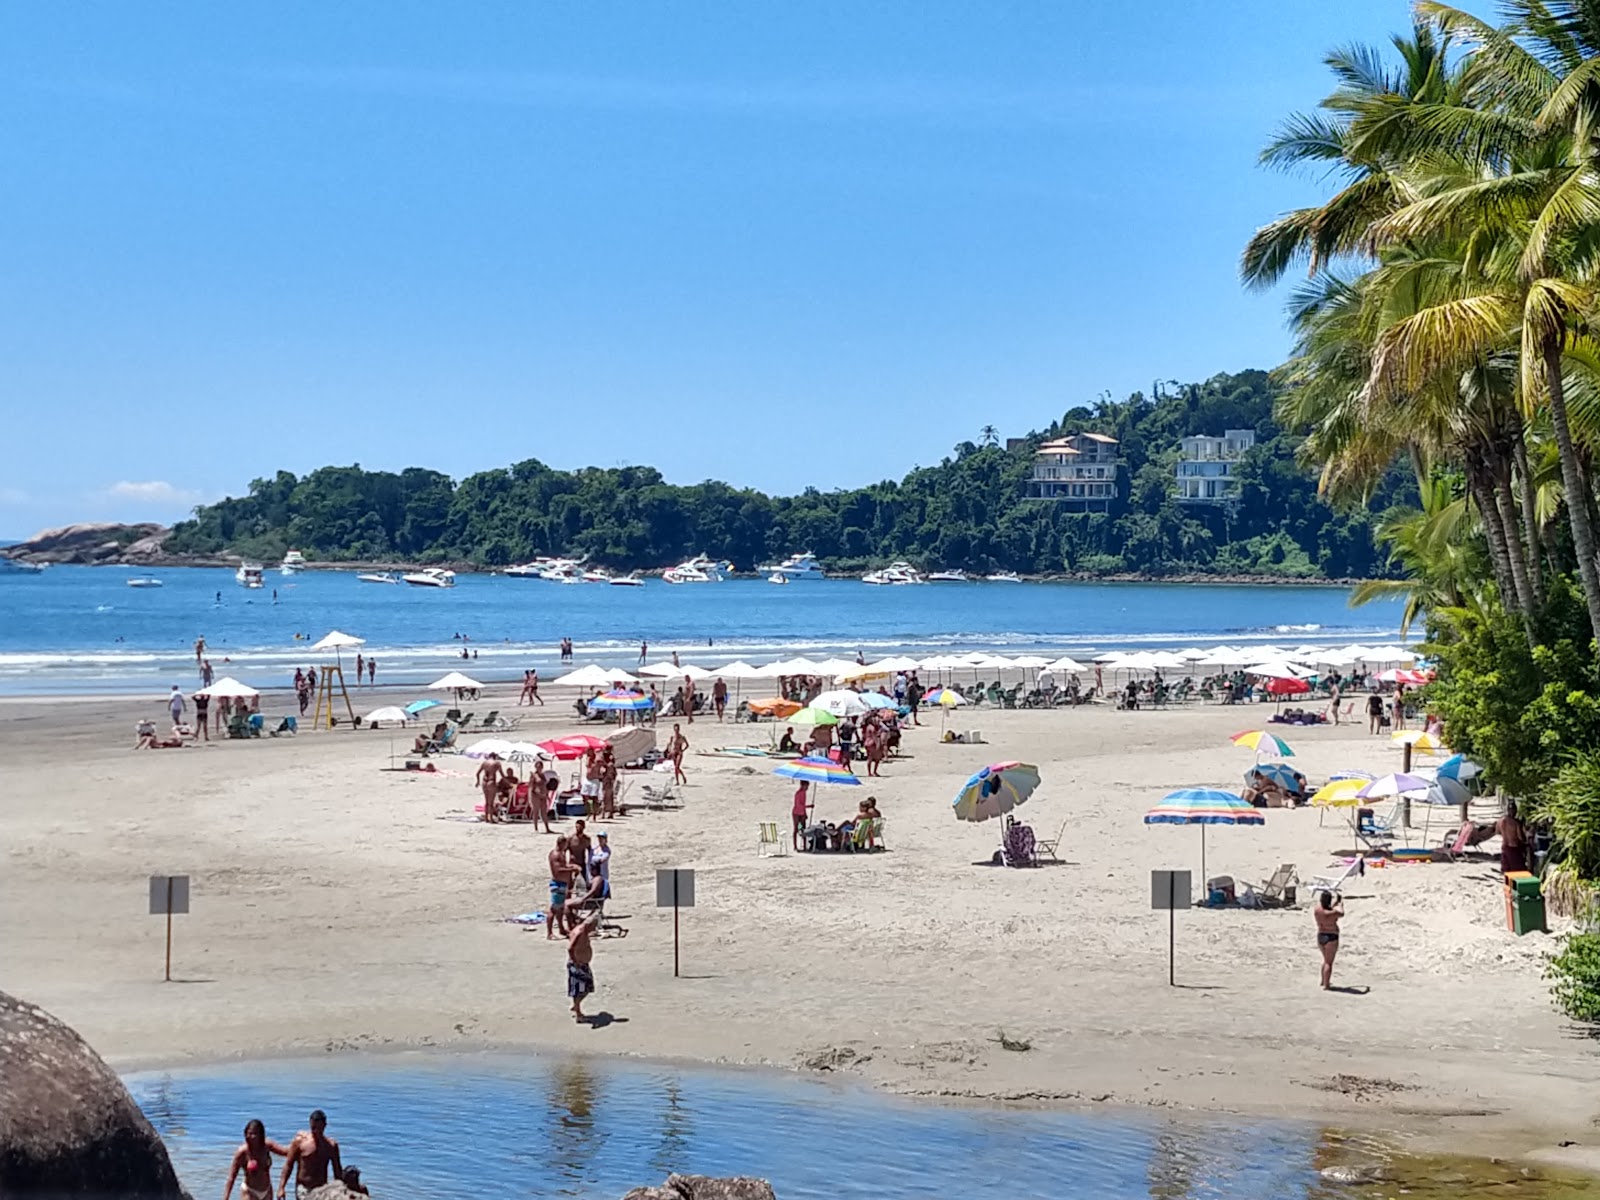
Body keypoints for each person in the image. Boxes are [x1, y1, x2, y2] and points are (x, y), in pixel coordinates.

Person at [277, 1109, 341, 1199]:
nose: (316, 1132)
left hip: (322, 1189)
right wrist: (281, 1188)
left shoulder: (331, 1146)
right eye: (313, 1128)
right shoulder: (300, 1143)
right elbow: (288, 1165)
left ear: (324, 1126)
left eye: (319, 1128)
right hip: (303, 1188)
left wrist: (341, 1189)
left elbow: (337, 1171)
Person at [223, 1119, 290, 1200]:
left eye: (255, 1133)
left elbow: (285, 1152)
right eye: (250, 1133)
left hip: (267, 1190)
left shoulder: (267, 1146)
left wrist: (298, 1144)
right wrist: (226, 1197)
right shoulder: (242, 1152)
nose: (252, 1136)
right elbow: (232, 1177)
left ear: (261, 1134)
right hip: (250, 1191)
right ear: (246, 1134)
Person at [567, 906, 601, 1021]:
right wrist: (575, 961)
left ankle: (576, 1006)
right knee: (580, 989)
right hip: (577, 964)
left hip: (583, 963)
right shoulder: (579, 932)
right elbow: (570, 948)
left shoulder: (585, 931)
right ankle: (578, 1014)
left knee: (588, 987)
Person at [548, 837, 577, 940]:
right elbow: (557, 870)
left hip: (563, 883)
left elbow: (563, 866)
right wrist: (571, 869)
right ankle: (549, 933)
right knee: (553, 909)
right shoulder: (555, 854)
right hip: (557, 884)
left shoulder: (562, 853)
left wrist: (570, 867)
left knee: (560, 909)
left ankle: (561, 928)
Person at [1314, 891, 1343, 990]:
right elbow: (1340, 913)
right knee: (1329, 962)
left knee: (1325, 960)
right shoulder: (1332, 913)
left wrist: (1335, 903)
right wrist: (1340, 905)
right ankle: (1327, 985)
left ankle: (1323, 981)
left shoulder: (1318, 910)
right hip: (1331, 936)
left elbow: (1329, 909)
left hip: (1321, 935)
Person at [1497, 800, 1528, 875]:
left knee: (1506, 871)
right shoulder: (1516, 823)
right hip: (1513, 848)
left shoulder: (1500, 821)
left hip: (1504, 847)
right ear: (1515, 811)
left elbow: (1498, 832)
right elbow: (1520, 837)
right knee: (1517, 871)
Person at [475, 753, 504, 823]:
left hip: (484, 782)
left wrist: (478, 782)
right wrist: (508, 782)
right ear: (495, 757)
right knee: (491, 802)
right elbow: (502, 774)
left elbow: (477, 773)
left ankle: (486, 819)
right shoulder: (497, 763)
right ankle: (490, 819)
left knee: (486, 802)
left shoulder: (484, 763)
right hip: (491, 781)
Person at [791, 780, 811, 850]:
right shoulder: (798, 794)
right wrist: (808, 806)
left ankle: (805, 846)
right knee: (796, 829)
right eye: (806, 786)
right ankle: (795, 846)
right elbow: (798, 805)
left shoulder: (804, 793)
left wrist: (805, 814)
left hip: (802, 813)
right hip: (796, 813)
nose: (807, 788)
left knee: (803, 829)